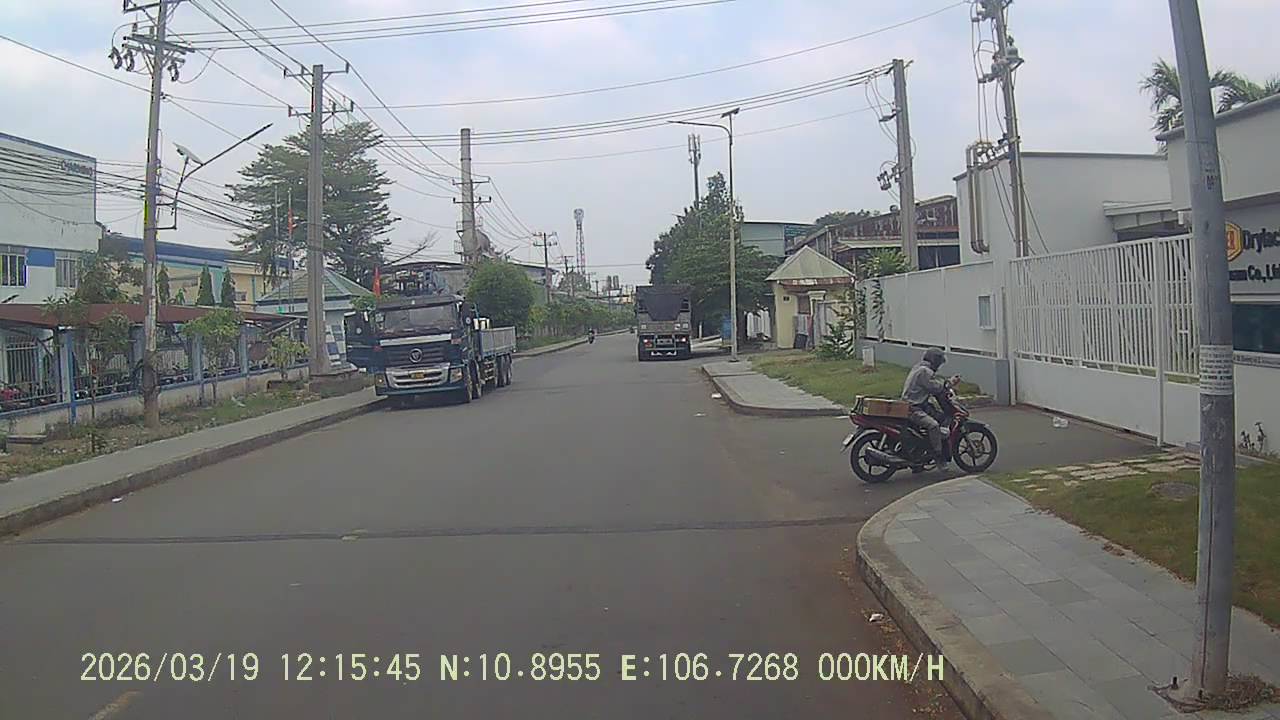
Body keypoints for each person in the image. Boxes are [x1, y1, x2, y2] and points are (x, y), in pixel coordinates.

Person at [901, 348, 951, 465]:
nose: (939, 366)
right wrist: (947, 384)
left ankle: (919, 457)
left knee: (939, 416)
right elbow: (934, 387)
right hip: (914, 408)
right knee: (933, 426)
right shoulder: (924, 371)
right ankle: (938, 455)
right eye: (939, 362)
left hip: (915, 405)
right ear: (935, 361)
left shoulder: (918, 367)